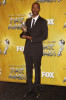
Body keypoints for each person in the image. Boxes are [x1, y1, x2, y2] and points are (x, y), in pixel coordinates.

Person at [20, 2, 48, 98]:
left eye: (37, 8)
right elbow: (25, 33)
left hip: (37, 50)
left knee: (37, 70)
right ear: (31, 9)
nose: (35, 9)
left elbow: (45, 36)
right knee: (28, 71)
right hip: (27, 50)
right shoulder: (27, 20)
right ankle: (29, 89)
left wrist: (33, 39)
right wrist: (23, 33)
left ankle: (36, 90)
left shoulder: (43, 21)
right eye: (33, 7)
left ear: (39, 9)